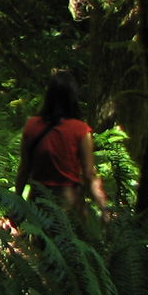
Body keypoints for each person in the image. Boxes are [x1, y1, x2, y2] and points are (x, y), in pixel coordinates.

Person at [14, 71, 110, 217]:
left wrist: (17, 201)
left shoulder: (31, 126)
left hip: (38, 202)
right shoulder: (80, 130)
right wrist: (103, 209)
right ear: (73, 97)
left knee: (41, 238)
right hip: (68, 201)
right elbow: (89, 174)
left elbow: (24, 169)